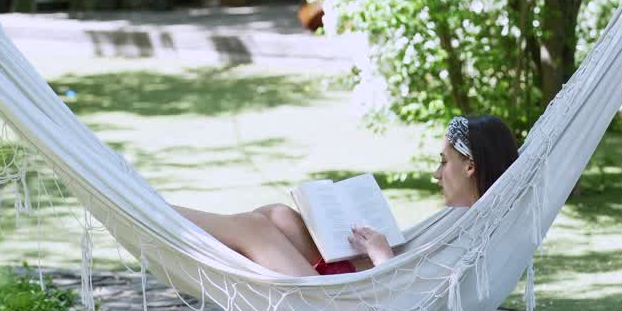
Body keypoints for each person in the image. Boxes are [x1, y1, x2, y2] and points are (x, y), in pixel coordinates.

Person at [174, 113, 519, 277]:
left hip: (344, 307)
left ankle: (161, 217)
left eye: (444, 162)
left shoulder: (474, 232)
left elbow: (414, 297)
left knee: (252, 228)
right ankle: (176, 237)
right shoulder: (468, 217)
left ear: (470, 167)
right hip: (358, 279)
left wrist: (381, 255)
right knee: (278, 214)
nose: (436, 173)